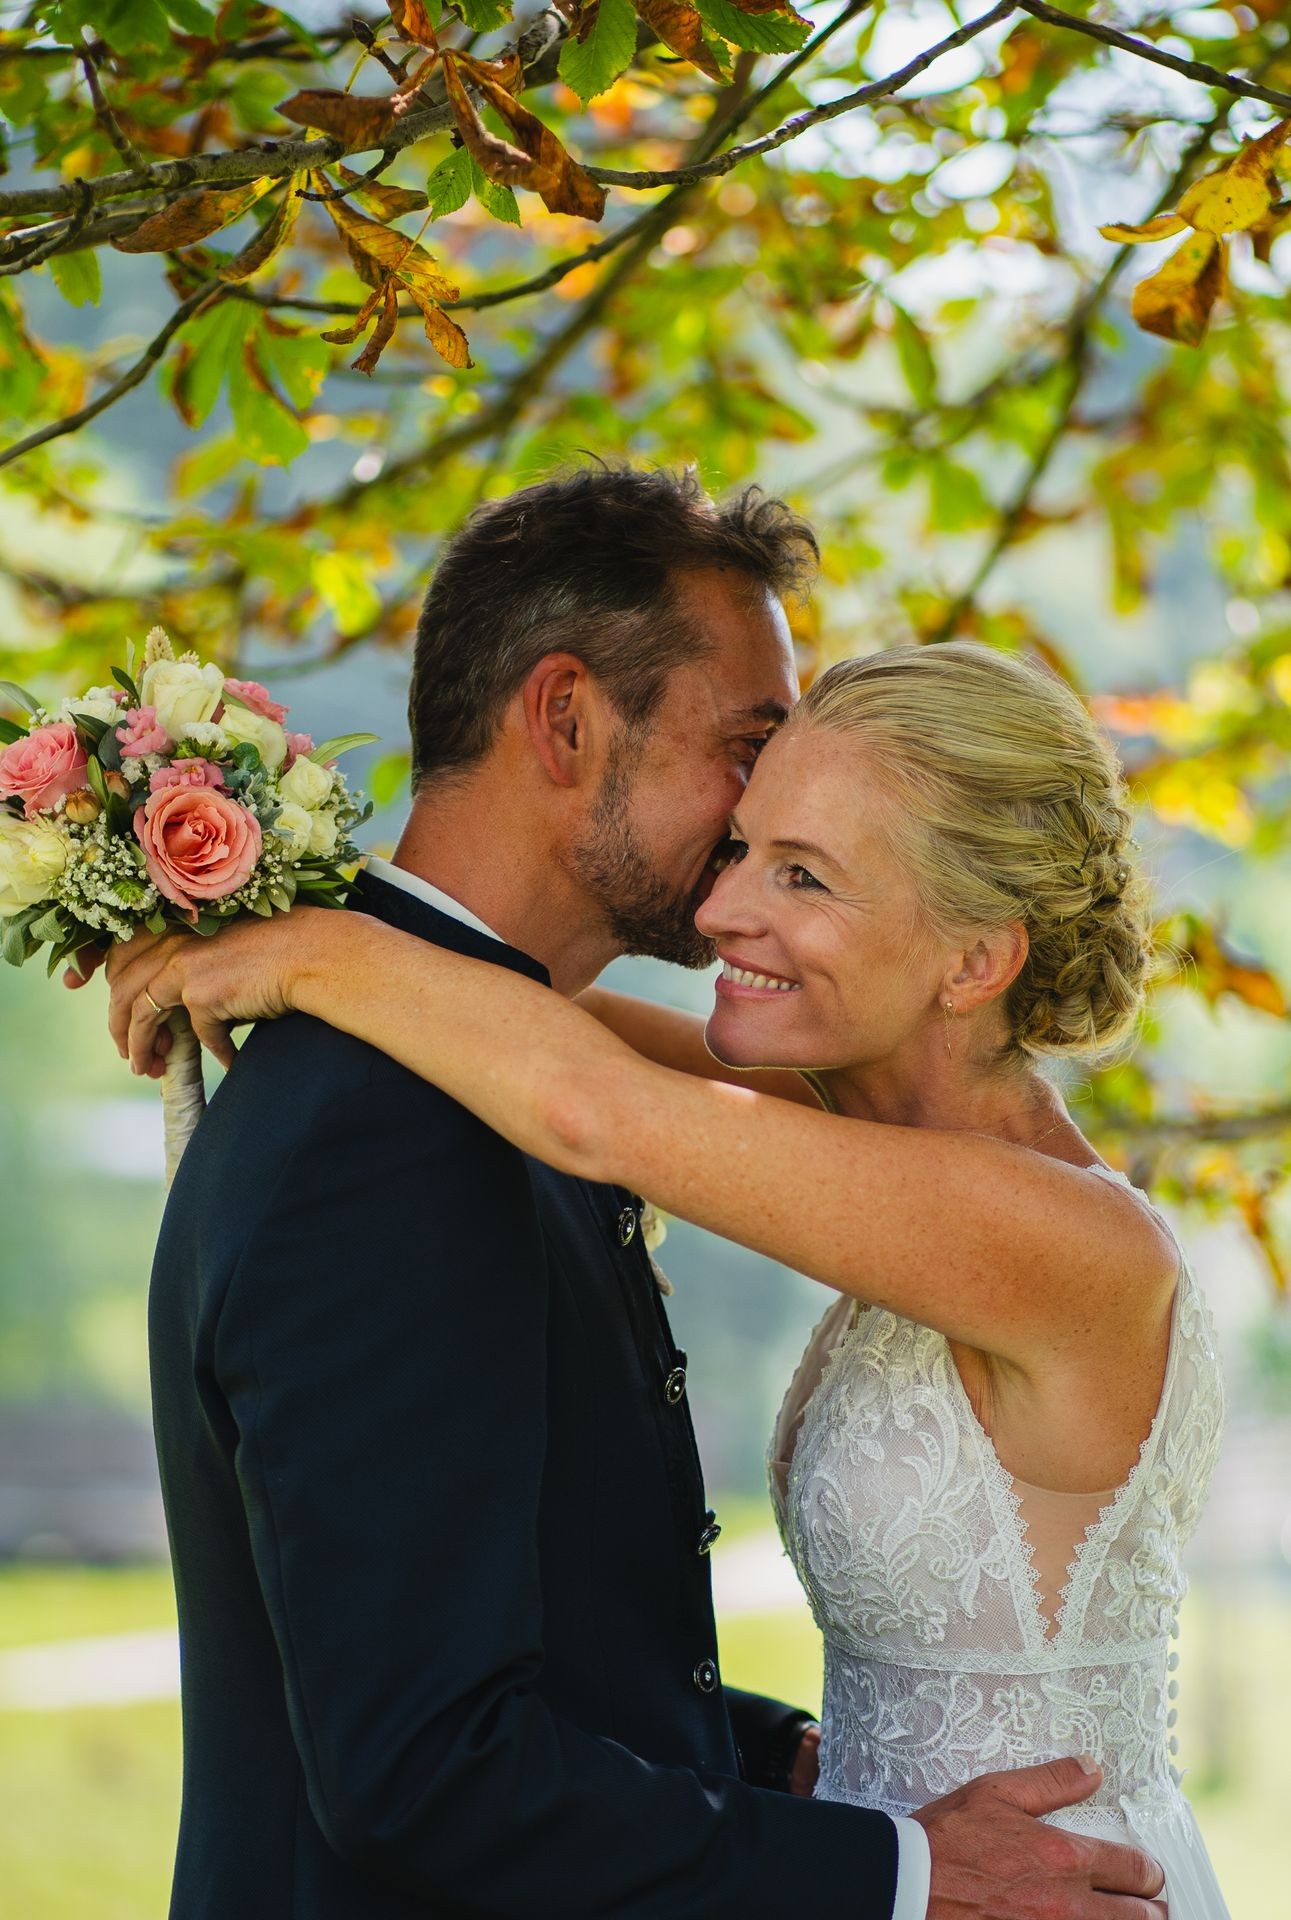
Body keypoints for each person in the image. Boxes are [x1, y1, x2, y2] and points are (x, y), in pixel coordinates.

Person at [90, 473, 1171, 1920]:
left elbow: (596, 1099)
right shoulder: (404, 1120)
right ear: (566, 719)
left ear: (978, 955)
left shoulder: (531, 1090)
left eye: (805, 866)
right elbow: (429, 1761)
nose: (735, 879)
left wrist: (323, 948)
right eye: (745, 756)